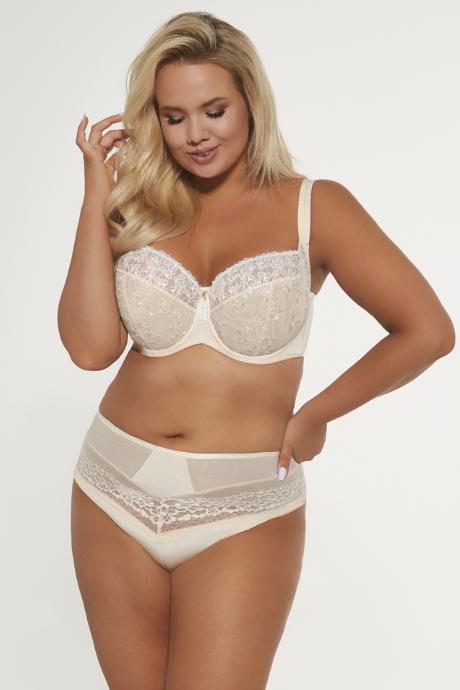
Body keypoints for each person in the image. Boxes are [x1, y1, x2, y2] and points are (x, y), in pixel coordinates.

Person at [58, 10, 455, 690]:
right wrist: (97, 195)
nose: (196, 134)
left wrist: (316, 414)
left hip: (243, 505)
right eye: (174, 117)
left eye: (214, 110)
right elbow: (91, 349)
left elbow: (428, 329)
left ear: (250, 102)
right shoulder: (137, 203)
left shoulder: (316, 207)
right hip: (111, 487)